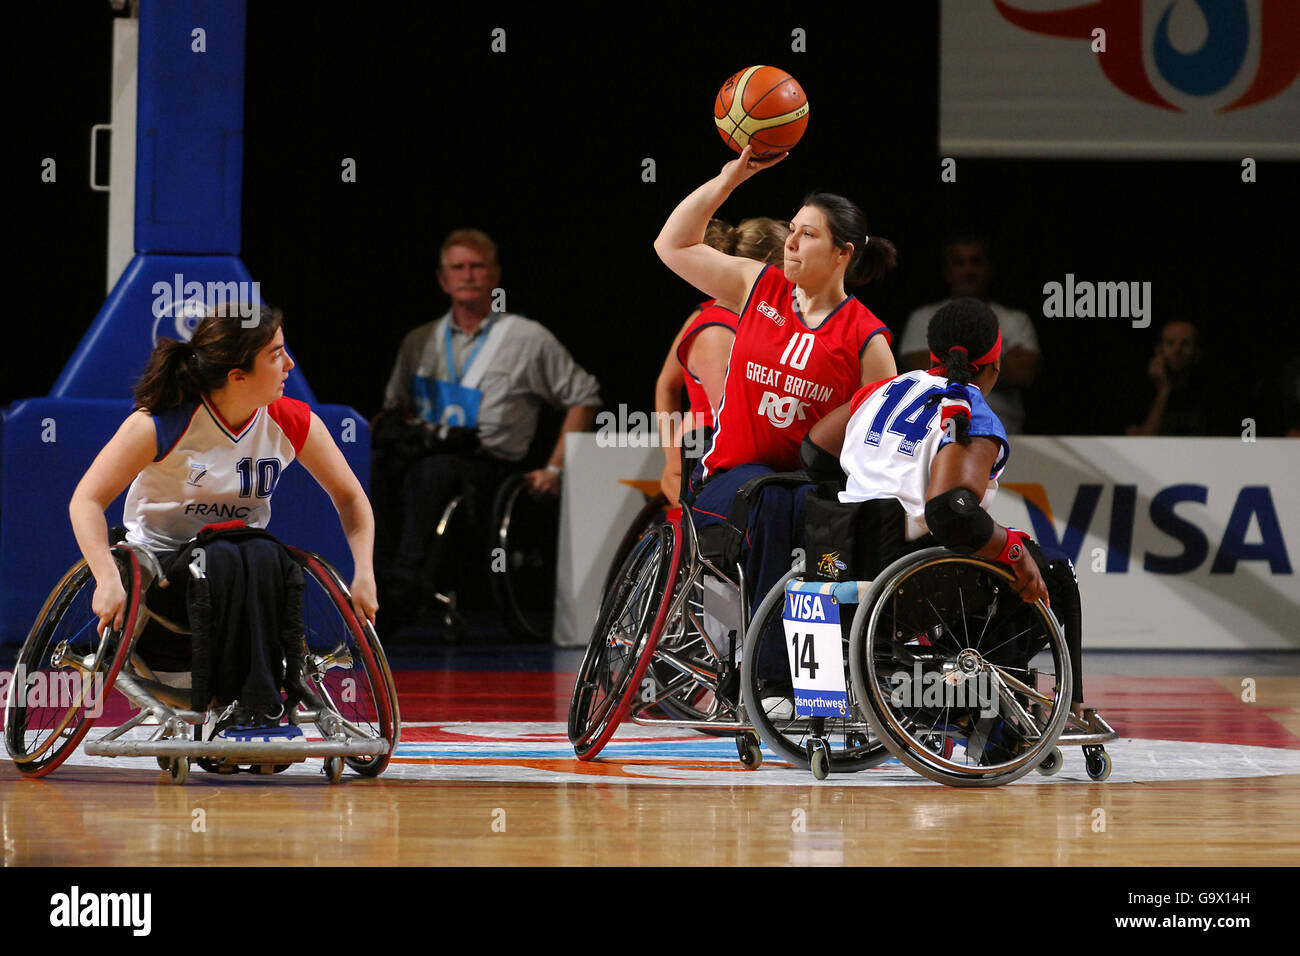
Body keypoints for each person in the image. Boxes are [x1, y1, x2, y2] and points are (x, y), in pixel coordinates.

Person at [68, 304, 376, 728]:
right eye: (275, 354)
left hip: (244, 567)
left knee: (267, 555)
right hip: (162, 574)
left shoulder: (293, 421)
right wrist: (105, 576)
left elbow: (350, 498)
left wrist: (364, 572)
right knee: (228, 558)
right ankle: (245, 699)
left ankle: (261, 701)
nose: (289, 363)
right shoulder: (161, 424)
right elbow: (85, 499)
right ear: (238, 376)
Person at [805, 297, 1088, 716]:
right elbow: (949, 512)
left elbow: (813, 453)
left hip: (841, 562)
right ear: (995, 365)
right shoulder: (972, 413)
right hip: (907, 581)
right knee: (1054, 571)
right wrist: (1012, 549)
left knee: (988, 555)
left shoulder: (884, 390)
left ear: (932, 353)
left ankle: (957, 697)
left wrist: (874, 480)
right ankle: (976, 713)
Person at [654, 145, 898, 604]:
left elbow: (878, 450)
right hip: (728, 486)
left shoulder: (868, 340)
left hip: (807, 495)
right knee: (773, 500)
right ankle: (770, 667)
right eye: (791, 230)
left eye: (808, 235)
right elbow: (672, 245)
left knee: (805, 507)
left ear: (843, 253)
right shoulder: (758, 286)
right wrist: (729, 179)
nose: (790, 243)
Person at [375, 228, 601, 616]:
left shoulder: (528, 338)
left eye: (477, 267)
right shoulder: (419, 340)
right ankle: (374, 579)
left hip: (491, 464)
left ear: (495, 277)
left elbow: (584, 396)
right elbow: (395, 407)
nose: (467, 275)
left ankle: (405, 585)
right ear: (443, 280)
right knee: (373, 468)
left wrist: (554, 468)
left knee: (434, 473)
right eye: (458, 267)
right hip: (425, 451)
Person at [654, 216, 788, 504]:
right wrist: (672, 463)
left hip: (736, 462)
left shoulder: (768, 322)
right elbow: (736, 422)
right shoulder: (716, 329)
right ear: (762, 271)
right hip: (710, 466)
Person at [898, 234, 1040, 433]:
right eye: (959, 263)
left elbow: (1023, 372)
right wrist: (992, 362)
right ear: (947, 272)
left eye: (976, 262)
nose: (968, 270)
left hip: (1005, 434)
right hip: (937, 433)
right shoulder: (923, 318)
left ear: (990, 269)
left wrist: (950, 364)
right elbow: (920, 373)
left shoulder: (1016, 319)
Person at [1126, 319, 1215, 436]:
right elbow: (1138, 444)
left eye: (1186, 344)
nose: (1177, 350)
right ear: (1158, 350)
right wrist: (1163, 391)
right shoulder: (1138, 394)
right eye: (1170, 343)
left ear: (1197, 354)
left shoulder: (1210, 396)